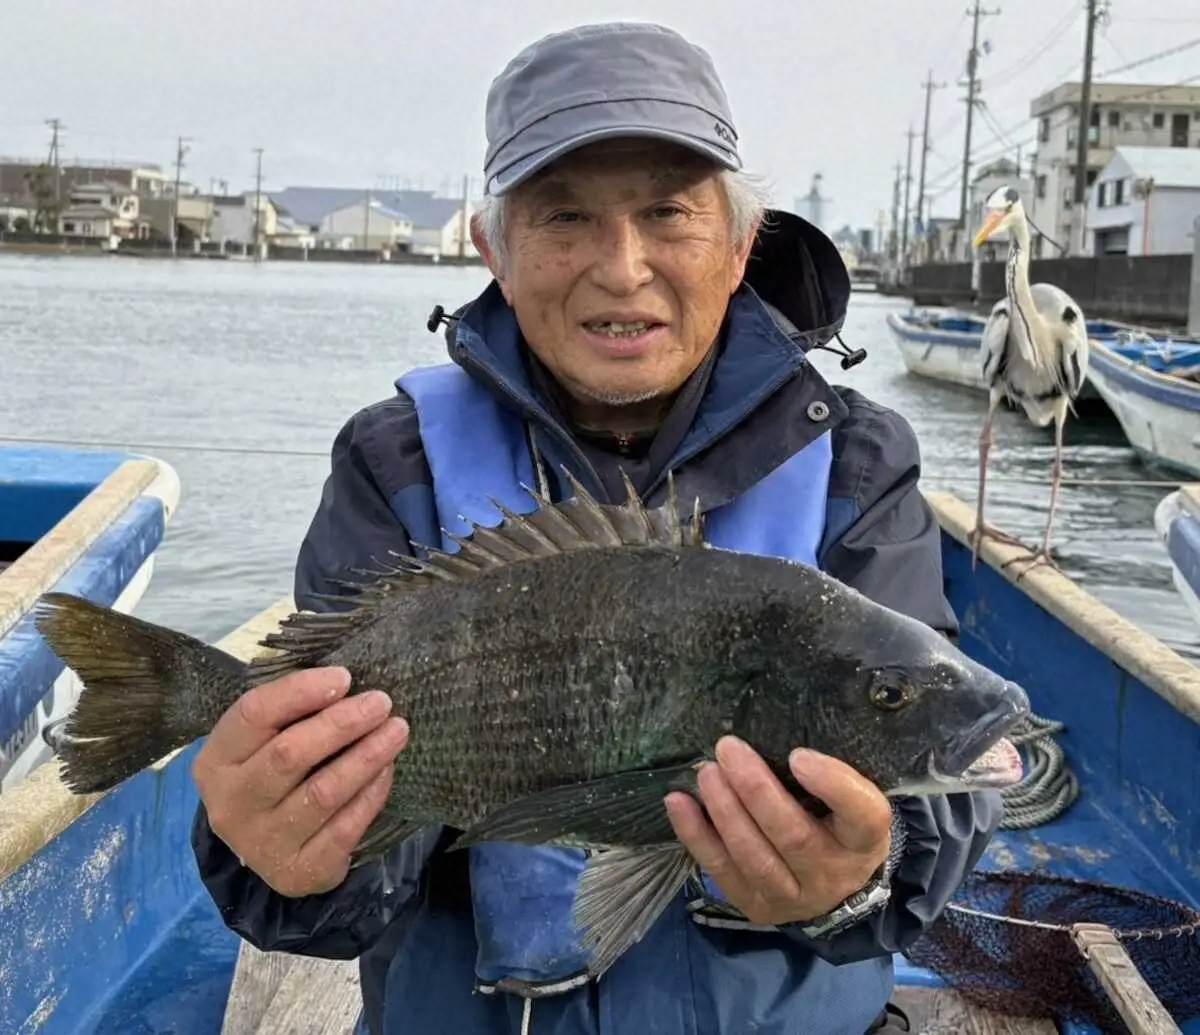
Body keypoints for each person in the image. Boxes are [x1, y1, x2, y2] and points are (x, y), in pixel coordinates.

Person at [191, 21, 1002, 1035]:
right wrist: (287, 857)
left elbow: (938, 808)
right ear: (494, 249)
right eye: (565, 216)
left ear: (739, 244)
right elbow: (324, 888)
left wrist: (861, 876)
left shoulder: (857, 461)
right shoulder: (394, 462)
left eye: (668, 212)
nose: (622, 269)